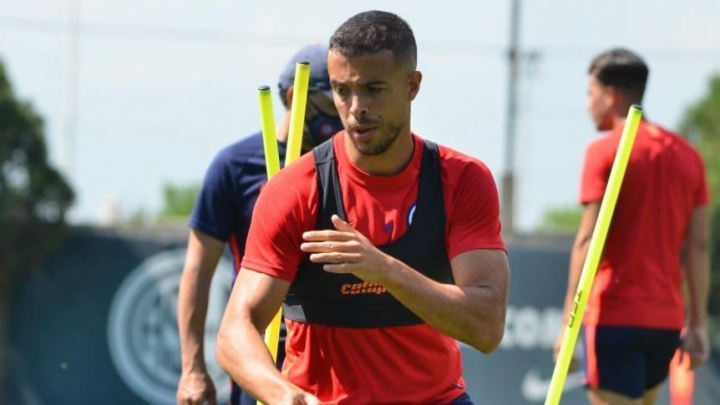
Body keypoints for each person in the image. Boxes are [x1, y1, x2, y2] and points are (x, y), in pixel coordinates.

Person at [216, 10, 510, 405]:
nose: (356, 107)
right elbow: (236, 329)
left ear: (412, 85)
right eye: (342, 90)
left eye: (373, 89)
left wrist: (383, 269)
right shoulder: (294, 189)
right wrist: (284, 395)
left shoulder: (462, 179)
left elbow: (486, 327)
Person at [176, 43, 343, 405]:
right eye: (334, 100)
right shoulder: (234, 167)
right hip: (262, 352)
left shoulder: (350, 166)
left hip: (335, 356)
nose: (345, 112)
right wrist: (192, 368)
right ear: (293, 96)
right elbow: (197, 269)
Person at [554, 48, 711, 405]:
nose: (586, 104)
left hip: (615, 317)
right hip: (666, 325)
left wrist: (568, 323)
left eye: (589, 94)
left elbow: (588, 239)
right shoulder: (688, 155)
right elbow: (698, 245)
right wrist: (698, 324)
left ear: (611, 95)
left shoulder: (604, 151)